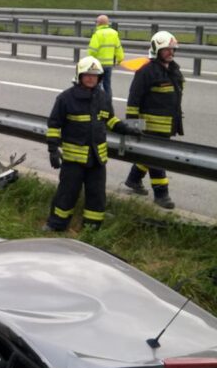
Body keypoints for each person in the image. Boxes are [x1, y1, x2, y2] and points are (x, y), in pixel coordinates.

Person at [44, 56, 143, 231]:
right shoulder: (65, 98)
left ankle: (91, 229)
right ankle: (56, 225)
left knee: (97, 196)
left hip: (97, 160)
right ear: (79, 76)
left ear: (100, 78)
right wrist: (53, 150)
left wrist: (125, 129)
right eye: (87, 75)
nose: (91, 78)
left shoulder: (103, 98)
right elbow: (54, 125)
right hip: (74, 161)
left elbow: (109, 120)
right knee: (67, 194)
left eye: (95, 75)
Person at [123, 31, 184, 210]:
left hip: (168, 124)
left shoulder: (174, 69)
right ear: (157, 49)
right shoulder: (146, 71)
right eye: (167, 50)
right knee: (158, 158)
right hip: (150, 125)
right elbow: (134, 99)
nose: (171, 53)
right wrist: (133, 125)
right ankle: (161, 193)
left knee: (149, 155)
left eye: (173, 49)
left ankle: (133, 179)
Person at [87, 14, 124, 99]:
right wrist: (120, 59)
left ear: (99, 23)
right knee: (107, 85)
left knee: (97, 84)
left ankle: (98, 101)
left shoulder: (97, 34)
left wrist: (89, 59)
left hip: (98, 64)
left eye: (96, 22)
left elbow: (93, 50)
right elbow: (118, 48)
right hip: (109, 64)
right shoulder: (114, 33)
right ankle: (108, 102)